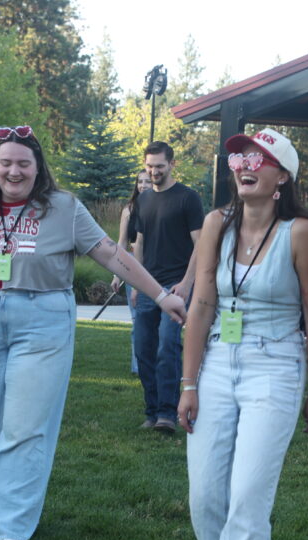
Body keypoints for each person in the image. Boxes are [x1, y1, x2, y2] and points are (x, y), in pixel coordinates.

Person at [0, 126, 186, 540]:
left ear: (38, 167)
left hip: (42, 320)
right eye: (5, 162)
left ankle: (13, 533)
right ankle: (3, 516)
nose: (14, 171)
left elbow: (112, 255)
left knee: (25, 426)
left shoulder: (63, 208)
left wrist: (161, 295)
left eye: (23, 162)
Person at [178, 128, 308, 540]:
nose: (246, 165)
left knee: (247, 497)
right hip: (218, 360)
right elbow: (200, 306)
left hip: (276, 364)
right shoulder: (216, 225)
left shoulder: (300, 233)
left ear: (282, 177)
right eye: (241, 156)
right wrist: (188, 383)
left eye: (261, 159)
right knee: (204, 498)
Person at [132, 141, 204, 433]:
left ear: (172, 164)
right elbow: (140, 243)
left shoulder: (188, 198)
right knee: (143, 349)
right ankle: (151, 411)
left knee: (167, 347)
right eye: (150, 166)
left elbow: (201, 244)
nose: (154, 171)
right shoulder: (144, 199)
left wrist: (186, 284)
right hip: (148, 287)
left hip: (176, 287)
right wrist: (137, 283)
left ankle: (167, 414)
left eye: (159, 166)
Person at [111, 170, 153, 374]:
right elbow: (121, 242)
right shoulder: (129, 209)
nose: (143, 185)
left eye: (148, 181)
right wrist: (117, 273)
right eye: (140, 182)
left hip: (156, 268)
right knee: (137, 319)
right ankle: (138, 367)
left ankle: (155, 363)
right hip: (133, 269)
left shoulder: (159, 206)